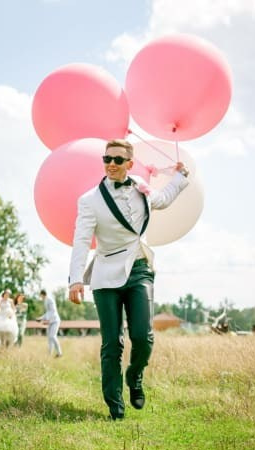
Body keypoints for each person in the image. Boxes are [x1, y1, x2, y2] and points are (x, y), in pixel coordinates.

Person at [68, 138, 189, 420]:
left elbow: (162, 199)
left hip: (139, 269)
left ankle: (134, 377)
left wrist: (180, 177)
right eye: (107, 159)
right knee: (112, 343)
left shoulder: (140, 188)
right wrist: (76, 279)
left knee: (143, 338)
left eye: (118, 160)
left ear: (129, 164)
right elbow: (81, 241)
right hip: (106, 275)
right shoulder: (89, 200)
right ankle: (115, 406)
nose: (111, 164)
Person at [37, 289, 62, 357]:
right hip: (50, 321)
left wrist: (46, 319)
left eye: (40, 295)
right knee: (49, 338)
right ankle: (49, 354)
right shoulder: (45, 300)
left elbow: (52, 311)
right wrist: (41, 318)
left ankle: (59, 353)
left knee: (53, 336)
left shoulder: (50, 300)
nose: (40, 297)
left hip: (55, 320)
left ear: (42, 294)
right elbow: (48, 312)